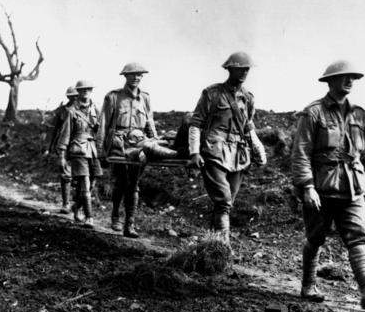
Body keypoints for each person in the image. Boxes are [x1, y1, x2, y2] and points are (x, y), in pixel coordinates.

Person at [291, 59, 365, 309]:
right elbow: (300, 152)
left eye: (353, 77)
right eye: (344, 76)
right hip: (321, 188)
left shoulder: (358, 114)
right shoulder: (313, 113)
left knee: (357, 236)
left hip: (353, 187)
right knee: (316, 237)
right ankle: (308, 284)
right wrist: (307, 186)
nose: (350, 80)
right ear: (330, 81)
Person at [188, 52, 267, 244]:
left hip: (238, 155)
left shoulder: (248, 98)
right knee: (223, 200)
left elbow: (248, 127)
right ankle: (223, 247)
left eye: (246, 69)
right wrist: (194, 152)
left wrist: (259, 150)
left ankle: (211, 244)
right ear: (230, 69)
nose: (244, 72)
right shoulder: (212, 93)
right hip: (213, 151)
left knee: (226, 203)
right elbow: (196, 123)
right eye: (239, 68)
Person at [99, 62, 171, 238]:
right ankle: (116, 215)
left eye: (139, 75)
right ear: (125, 76)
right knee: (121, 182)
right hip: (119, 144)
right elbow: (103, 124)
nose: (136, 78)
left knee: (134, 184)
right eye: (132, 75)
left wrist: (154, 140)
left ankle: (129, 224)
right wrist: (101, 150)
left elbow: (149, 121)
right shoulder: (113, 97)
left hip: (139, 143)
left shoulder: (145, 98)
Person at [56, 80, 103, 228]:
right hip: (78, 149)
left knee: (92, 183)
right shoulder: (72, 111)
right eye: (82, 90)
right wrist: (62, 156)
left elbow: (102, 130)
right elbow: (65, 134)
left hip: (93, 149)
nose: (86, 92)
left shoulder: (96, 108)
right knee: (85, 182)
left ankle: (77, 207)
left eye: (88, 90)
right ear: (78, 92)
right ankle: (89, 217)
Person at [48, 86, 79, 214]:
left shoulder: (85, 110)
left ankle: (78, 205)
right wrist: (50, 146)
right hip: (64, 145)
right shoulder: (62, 111)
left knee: (81, 176)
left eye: (77, 96)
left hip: (80, 146)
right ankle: (66, 204)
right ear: (68, 97)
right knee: (66, 175)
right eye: (72, 96)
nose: (75, 98)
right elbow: (54, 129)